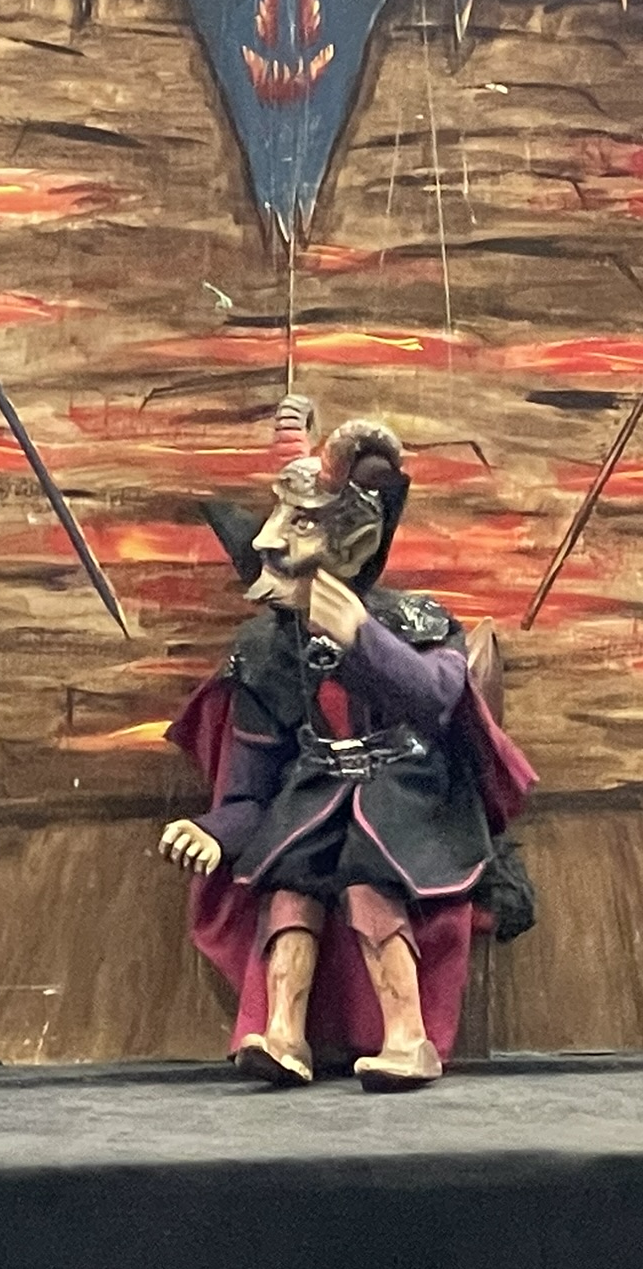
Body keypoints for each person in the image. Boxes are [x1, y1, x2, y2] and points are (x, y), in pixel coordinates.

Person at [164, 407, 536, 1091]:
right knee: (289, 884)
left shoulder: (416, 621)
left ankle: (408, 1039)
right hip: (315, 788)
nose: (270, 539)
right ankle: (283, 1034)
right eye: (279, 518)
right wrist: (215, 831)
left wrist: (363, 637)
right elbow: (251, 787)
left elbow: (439, 694)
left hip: (405, 789)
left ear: (354, 537)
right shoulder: (266, 650)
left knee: (370, 880)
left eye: (301, 523)